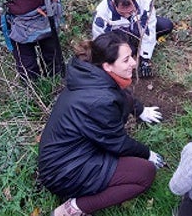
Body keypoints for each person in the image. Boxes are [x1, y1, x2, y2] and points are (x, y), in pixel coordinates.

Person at [38, 31, 165, 216]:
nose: (133, 63)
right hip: (64, 171)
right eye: (126, 59)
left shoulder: (92, 75)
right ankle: (74, 208)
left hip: (71, 151)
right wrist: (148, 154)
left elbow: (121, 94)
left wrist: (141, 111)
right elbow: (118, 143)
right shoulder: (99, 100)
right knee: (145, 174)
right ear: (107, 66)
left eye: (131, 56)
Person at [92, 0, 174, 78]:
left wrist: (145, 59)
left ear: (135, 3)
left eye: (131, 11)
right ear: (113, 3)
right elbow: (101, 42)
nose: (127, 15)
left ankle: (138, 45)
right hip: (118, 33)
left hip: (137, 26)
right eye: (122, 13)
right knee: (128, 51)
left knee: (166, 26)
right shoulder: (101, 15)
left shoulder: (145, 2)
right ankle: (131, 47)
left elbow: (148, 30)